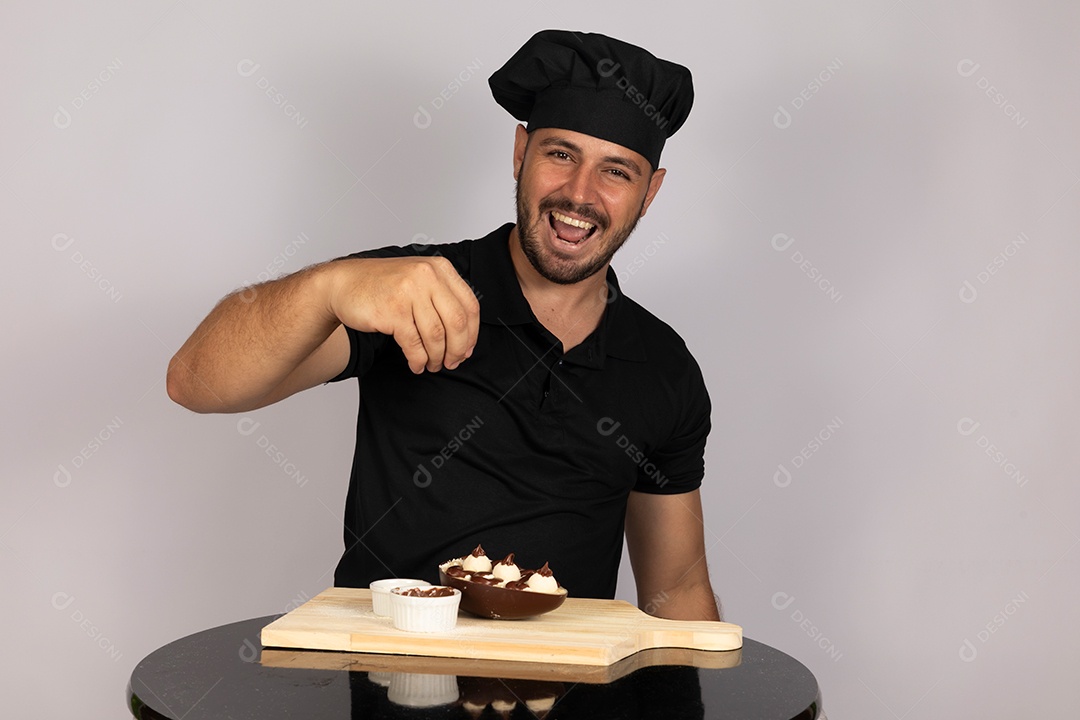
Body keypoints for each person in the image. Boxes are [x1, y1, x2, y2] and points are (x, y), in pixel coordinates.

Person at [167, 30, 721, 621]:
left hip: (569, 693)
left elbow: (679, 591)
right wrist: (329, 286)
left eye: (617, 171)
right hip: (392, 686)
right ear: (520, 154)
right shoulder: (404, 290)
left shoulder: (664, 366)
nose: (579, 193)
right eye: (560, 154)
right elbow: (198, 383)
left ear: (650, 193)